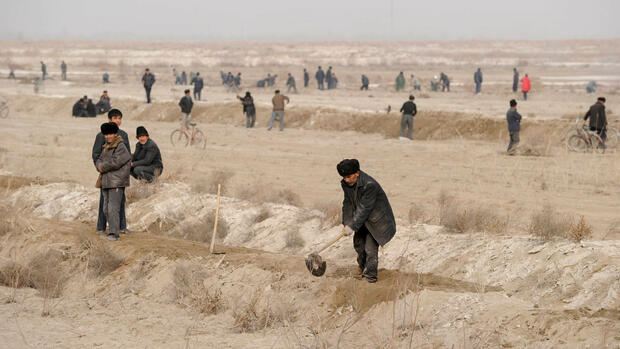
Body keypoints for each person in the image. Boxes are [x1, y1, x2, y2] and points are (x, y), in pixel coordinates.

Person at [337, 159, 396, 283]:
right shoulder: (346, 184)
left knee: (370, 249)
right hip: (363, 220)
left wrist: (352, 226)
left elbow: (364, 208)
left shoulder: (370, 185)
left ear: (357, 173)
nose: (346, 180)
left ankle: (370, 277)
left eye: (348, 177)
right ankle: (362, 268)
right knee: (359, 245)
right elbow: (347, 202)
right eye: (344, 177)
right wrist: (347, 222)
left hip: (378, 222)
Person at [92, 109, 130, 236]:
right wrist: (100, 167)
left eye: (120, 118)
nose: (118, 121)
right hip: (105, 175)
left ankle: (121, 227)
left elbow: (126, 155)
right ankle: (101, 227)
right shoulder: (101, 135)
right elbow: (97, 154)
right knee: (105, 203)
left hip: (118, 176)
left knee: (119, 201)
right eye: (115, 118)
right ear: (109, 119)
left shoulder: (123, 135)